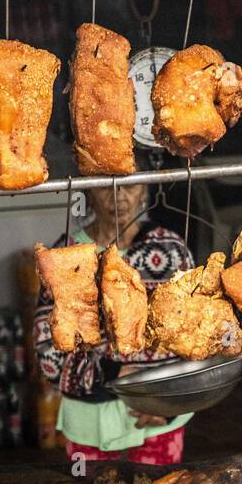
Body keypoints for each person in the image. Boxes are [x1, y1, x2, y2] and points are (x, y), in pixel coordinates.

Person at [34, 182, 194, 466]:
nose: (119, 196)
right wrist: (114, 374)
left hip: (158, 421)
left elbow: (193, 337)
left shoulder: (170, 249)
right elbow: (48, 354)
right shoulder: (65, 256)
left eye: (130, 186)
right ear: (89, 191)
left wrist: (172, 404)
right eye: (106, 187)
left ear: (145, 191)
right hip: (90, 422)